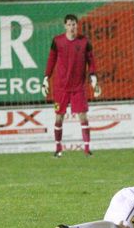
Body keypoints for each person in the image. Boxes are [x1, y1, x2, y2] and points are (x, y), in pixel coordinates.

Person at [42, 14, 98, 157]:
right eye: (69, 25)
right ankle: (58, 148)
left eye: (74, 24)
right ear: (65, 26)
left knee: (83, 117)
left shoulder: (84, 42)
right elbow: (51, 60)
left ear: (77, 25)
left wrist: (93, 76)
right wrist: (46, 77)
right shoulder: (57, 41)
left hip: (78, 87)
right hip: (60, 87)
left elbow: (91, 61)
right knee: (59, 117)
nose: (72, 27)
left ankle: (87, 149)